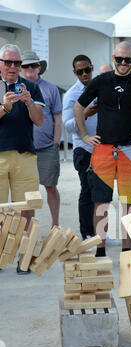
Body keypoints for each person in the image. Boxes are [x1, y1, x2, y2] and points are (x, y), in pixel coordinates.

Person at [73, 41, 131, 268]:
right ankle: (100, 252)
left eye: (127, 60)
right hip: (103, 149)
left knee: (129, 203)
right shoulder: (101, 81)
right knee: (101, 203)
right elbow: (78, 107)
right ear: (113, 58)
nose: (122, 63)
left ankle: (127, 252)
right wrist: (83, 136)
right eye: (119, 59)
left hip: (130, 149)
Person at [0, 44, 45, 274]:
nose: (13, 67)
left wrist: (28, 103)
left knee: (27, 208)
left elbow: (39, 120)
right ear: (0, 63)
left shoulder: (32, 87)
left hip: (25, 154)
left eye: (17, 63)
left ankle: (24, 257)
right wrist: (5, 107)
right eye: (8, 62)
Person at [21, 50, 62, 229]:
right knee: (27, 193)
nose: (30, 69)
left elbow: (58, 118)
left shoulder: (50, 88)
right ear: (21, 68)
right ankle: (29, 230)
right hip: (22, 148)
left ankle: (55, 225)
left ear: (39, 67)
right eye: (26, 66)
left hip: (46, 147)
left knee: (50, 186)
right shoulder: (13, 87)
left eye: (33, 65)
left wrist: (56, 143)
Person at [62, 54, 97, 241]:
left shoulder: (99, 88)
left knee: (101, 193)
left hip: (102, 148)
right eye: (80, 71)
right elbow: (67, 126)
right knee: (87, 191)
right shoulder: (71, 95)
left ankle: (100, 232)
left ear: (92, 68)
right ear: (75, 73)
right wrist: (85, 114)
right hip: (83, 149)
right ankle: (87, 234)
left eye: (87, 70)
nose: (85, 74)